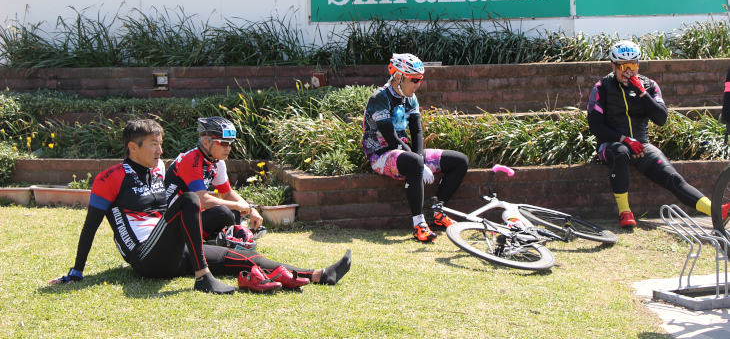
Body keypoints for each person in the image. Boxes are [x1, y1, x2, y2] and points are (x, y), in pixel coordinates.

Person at [49, 119, 351, 293]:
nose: (160, 150)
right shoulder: (109, 178)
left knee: (244, 255)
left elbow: (218, 195)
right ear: (133, 147)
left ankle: (318, 274)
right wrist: (76, 272)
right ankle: (203, 278)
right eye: (153, 144)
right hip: (145, 256)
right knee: (189, 199)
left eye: (160, 143)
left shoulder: (158, 169)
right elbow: (90, 227)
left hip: (173, 248)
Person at [587, 40, 721, 229]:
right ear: (613, 66)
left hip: (642, 146)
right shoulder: (602, 87)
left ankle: (717, 211)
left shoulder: (649, 86)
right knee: (620, 151)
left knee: (673, 179)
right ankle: (625, 212)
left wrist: (641, 93)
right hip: (610, 145)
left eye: (633, 66)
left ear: (638, 64)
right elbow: (595, 126)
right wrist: (624, 139)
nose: (628, 71)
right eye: (623, 66)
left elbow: (661, 119)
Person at [361, 53, 470, 242]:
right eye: (414, 79)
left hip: (405, 154)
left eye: (420, 79)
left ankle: (436, 212)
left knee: (460, 161)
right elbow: (390, 138)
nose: (418, 84)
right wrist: (418, 161)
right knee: (414, 161)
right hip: (381, 154)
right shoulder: (379, 97)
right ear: (398, 77)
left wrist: (420, 159)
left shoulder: (411, 98)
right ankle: (418, 224)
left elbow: (417, 132)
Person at [165, 116, 263, 241]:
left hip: (191, 214)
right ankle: (229, 236)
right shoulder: (191, 159)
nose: (228, 148)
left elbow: (227, 193)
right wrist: (238, 205)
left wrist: (250, 208)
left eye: (230, 143)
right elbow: (202, 200)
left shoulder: (217, 162)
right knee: (223, 212)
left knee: (234, 211)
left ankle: (231, 235)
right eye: (223, 143)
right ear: (206, 142)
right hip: (174, 220)